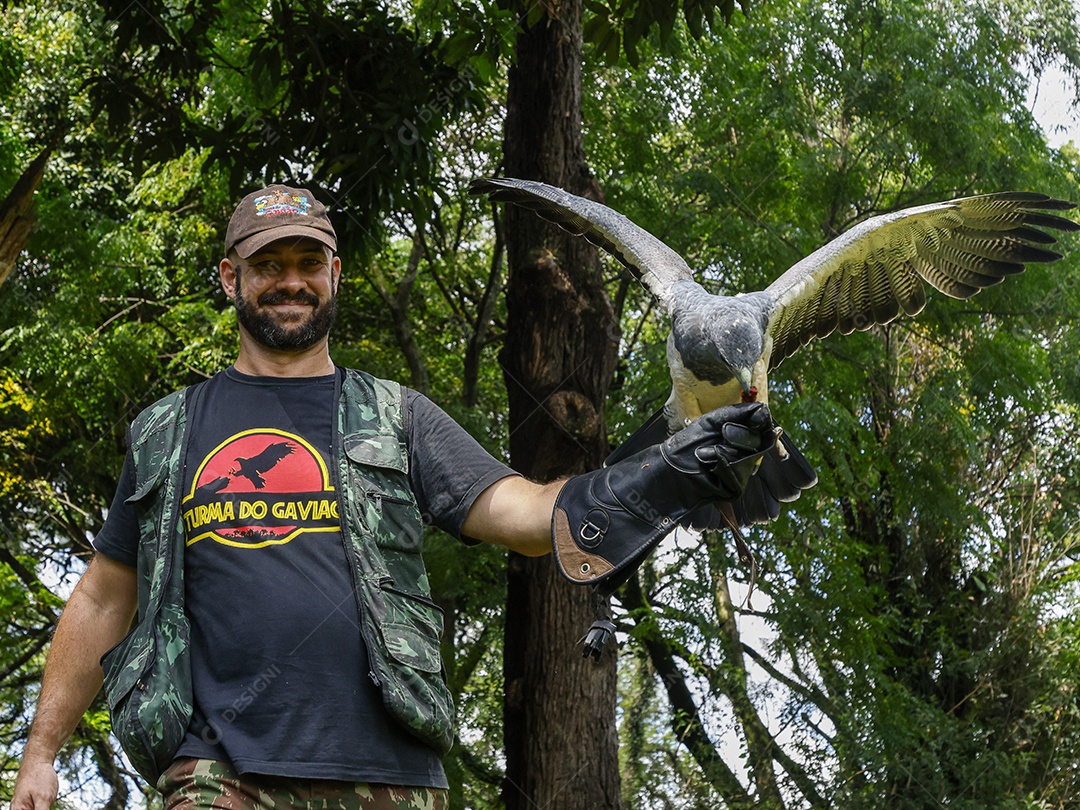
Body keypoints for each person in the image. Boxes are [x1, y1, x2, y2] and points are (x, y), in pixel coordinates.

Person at [11, 184, 776, 809]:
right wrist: (40, 755)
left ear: (335, 275)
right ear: (230, 277)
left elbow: (524, 515)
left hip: (392, 776)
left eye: (307, 262)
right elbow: (105, 598)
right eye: (267, 262)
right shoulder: (170, 430)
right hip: (216, 775)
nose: (289, 281)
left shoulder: (397, 414)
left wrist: (659, 474)